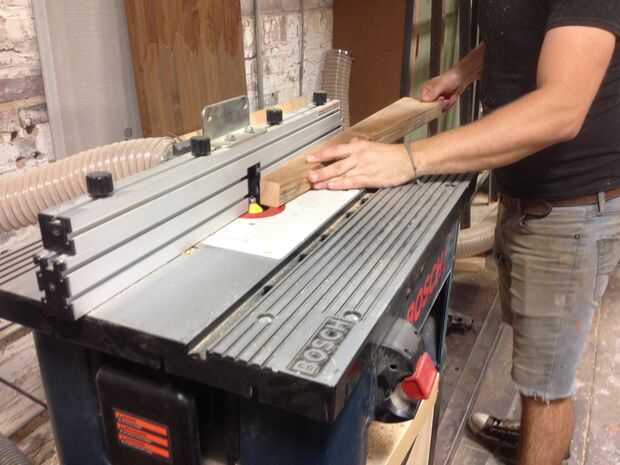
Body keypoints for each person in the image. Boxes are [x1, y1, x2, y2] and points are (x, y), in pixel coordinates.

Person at [307, 2, 620, 465]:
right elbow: (522, 25)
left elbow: (562, 109)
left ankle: (543, 439)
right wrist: (462, 71)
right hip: (529, 196)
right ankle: (535, 432)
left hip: (568, 210)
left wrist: (410, 159)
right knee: (538, 353)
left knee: (547, 387)